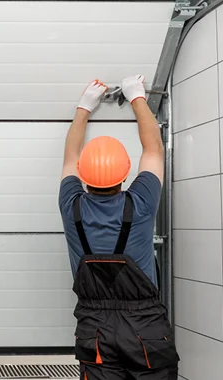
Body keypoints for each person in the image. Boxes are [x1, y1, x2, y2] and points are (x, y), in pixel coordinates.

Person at [58, 76, 180, 380]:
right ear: (125, 175)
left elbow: (70, 156)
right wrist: (137, 97)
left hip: (94, 327)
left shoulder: (71, 205)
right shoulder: (140, 203)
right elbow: (153, 149)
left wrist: (84, 107)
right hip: (144, 327)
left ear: (83, 177)